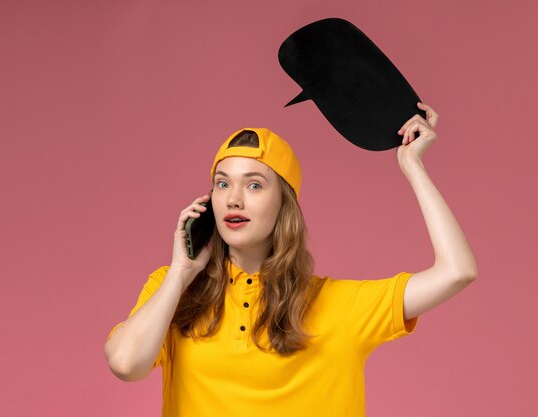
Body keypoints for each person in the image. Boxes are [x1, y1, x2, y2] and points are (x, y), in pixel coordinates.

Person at [104, 102, 477, 417]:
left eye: (254, 185)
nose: (234, 198)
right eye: (222, 183)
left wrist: (413, 166)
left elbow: (457, 271)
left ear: (285, 205)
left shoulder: (338, 305)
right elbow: (125, 364)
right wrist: (181, 274)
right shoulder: (173, 291)